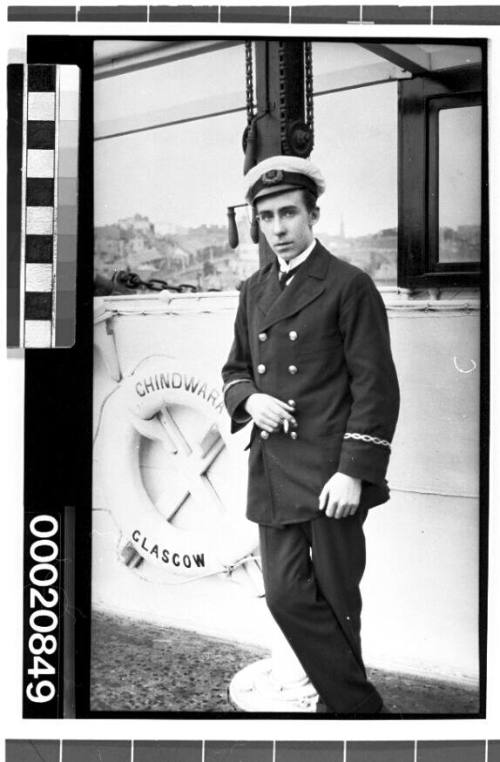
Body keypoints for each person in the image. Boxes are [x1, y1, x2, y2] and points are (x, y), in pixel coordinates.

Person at [221, 155, 400, 715]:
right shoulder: (253, 289)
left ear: (312, 215)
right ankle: (360, 709)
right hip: (274, 471)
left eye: (288, 214)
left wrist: (353, 471)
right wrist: (251, 399)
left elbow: (376, 389)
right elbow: (235, 369)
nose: (277, 228)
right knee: (285, 594)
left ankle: (346, 713)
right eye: (266, 217)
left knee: (338, 598)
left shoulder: (349, 285)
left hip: (330, 475)